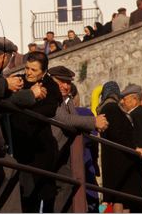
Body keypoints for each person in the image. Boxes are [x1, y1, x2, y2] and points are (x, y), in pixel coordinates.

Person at [46, 66, 108, 213]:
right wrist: (93, 122)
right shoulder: (49, 96)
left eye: (68, 83)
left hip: (61, 155)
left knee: (68, 185)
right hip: (49, 151)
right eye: (61, 81)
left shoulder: (66, 101)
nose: (66, 86)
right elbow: (64, 119)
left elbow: (74, 121)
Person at [8, 51, 61, 212]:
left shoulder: (51, 86)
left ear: (43, 72)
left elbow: (50, 109)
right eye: (27, 68)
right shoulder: (19, 80)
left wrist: (25, 105)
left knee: (41, 189)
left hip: (40, 146)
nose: (29, 73)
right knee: (24, 190)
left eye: (34, 70)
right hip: (19, 143)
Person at [97, 81, 142, 213]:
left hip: (116, 160)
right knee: (121, 198)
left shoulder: (105, 108)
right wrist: (133, 147)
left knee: (122, 199)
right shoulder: (111, 108)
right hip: (120, 160)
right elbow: (118, 132)